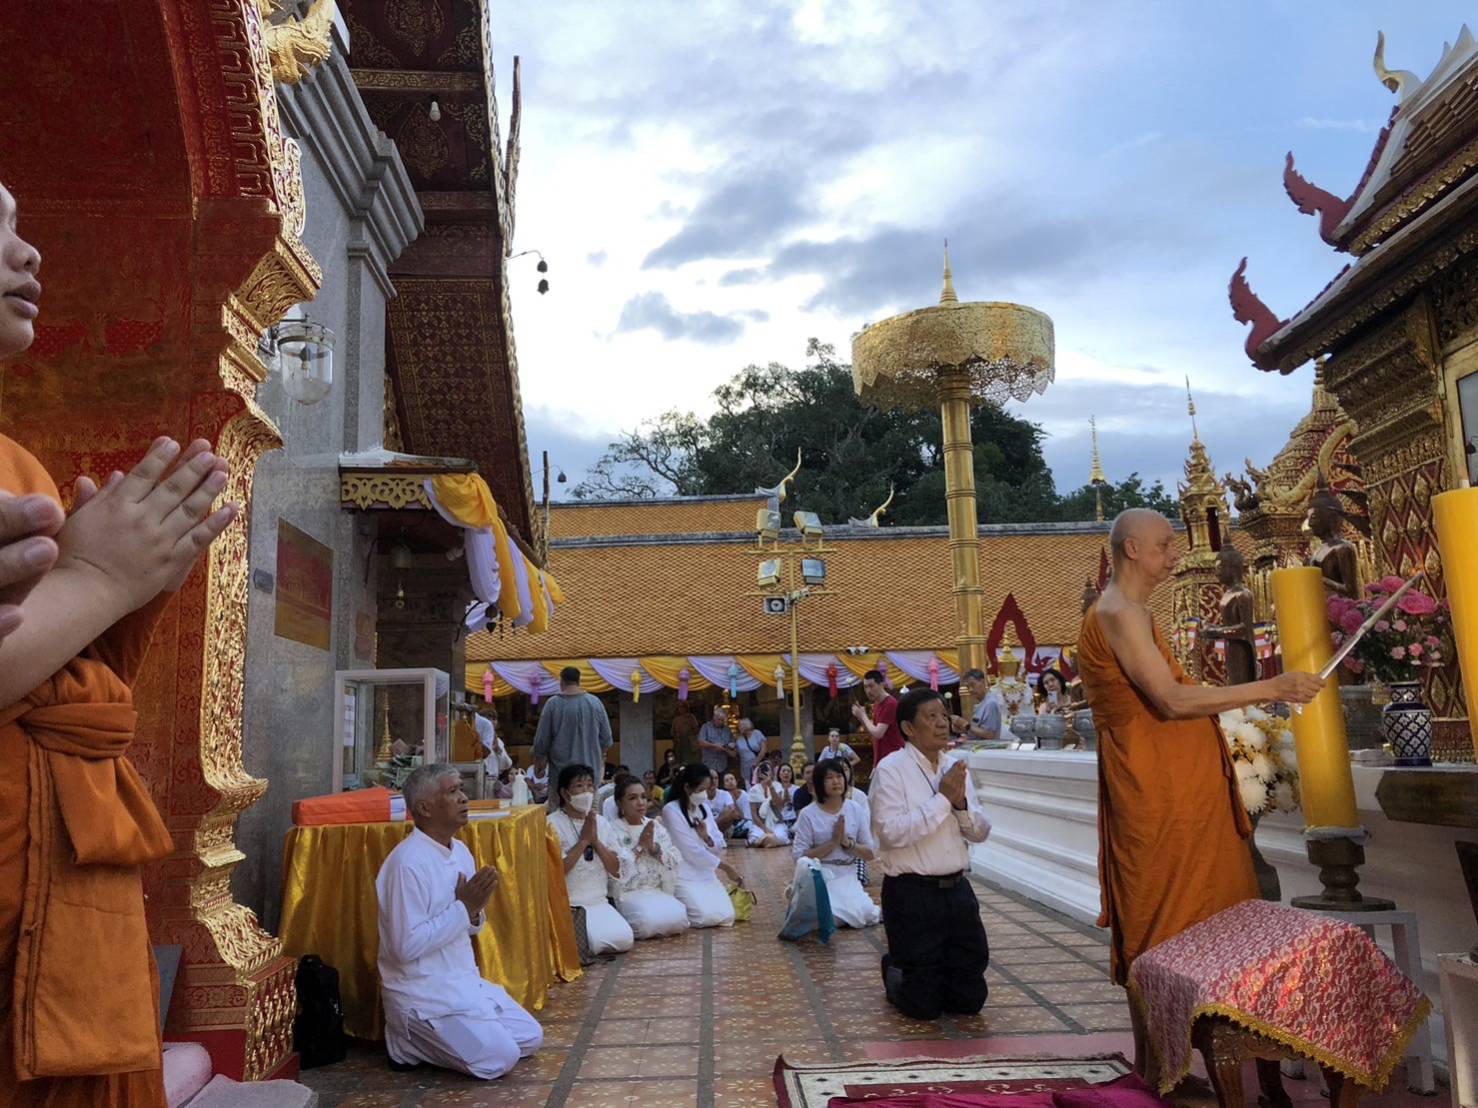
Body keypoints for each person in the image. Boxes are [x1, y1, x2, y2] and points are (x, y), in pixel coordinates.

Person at [0, 183, 245, 1106]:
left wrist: (131, 589)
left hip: (61, 865)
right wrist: (98, 581)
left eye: (23, 228)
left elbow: (62, 695)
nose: (30, 258)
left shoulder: (14, 460)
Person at [1079, 509, 1323, 1069]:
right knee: (1164, 917)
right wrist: (1272, 685)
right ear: (1132, 549)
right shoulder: (1116, 611)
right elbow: (1170, 701)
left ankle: (1195, 1062)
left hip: (1179, 788)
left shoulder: (1135, 612)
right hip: (1154, 789)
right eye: (1166, 545)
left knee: (1210, 915)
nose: (1176, 555)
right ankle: (1163, 1069)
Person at [375, 764, 542, 1079]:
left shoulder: (460, 851)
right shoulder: (406, 864)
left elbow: (469, 924)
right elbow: (404, 947)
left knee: (531, 1037)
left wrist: (474, 911)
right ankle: (406, 1041)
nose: (464, 798)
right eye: (453, 792)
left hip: (462, 985)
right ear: (425, 808)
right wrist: (464, 907)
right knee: (499, 1059)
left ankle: (455, 1034)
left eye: (461, 790)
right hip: (422, 995)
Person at [870, 688, 993, 1021]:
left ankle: (927, 974)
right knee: (923, 1005)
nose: (942, 724)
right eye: (931, 717)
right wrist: (942, 801)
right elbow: (891, 834)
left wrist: (961, 804)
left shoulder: (954, 767)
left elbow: (980, 831)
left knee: (969, 1001)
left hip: (956, 891)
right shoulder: (890, 770)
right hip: (912, 893)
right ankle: (894, 970)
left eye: (944, 714)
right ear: (909, 728)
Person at [548, 764, 633, 961]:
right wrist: (583, 841)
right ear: (565, 793)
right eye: (579, 786)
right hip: (571, 906)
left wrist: (595, 841)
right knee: (592, 941)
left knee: (624, 939)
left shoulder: (602, 823)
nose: (586, 791)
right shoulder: (551, 824)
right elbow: (555, 872)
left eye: (589, 786)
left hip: (599, 903)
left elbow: (616, 868)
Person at [793, 758, 881, 928]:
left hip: (848, 875)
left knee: (865, 914)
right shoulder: (808, 814)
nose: (836, 781)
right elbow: (798, 856)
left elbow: (870, 853)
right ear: (819, 783)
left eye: (839, 776)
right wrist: (832, 843)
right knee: (832, 917)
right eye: (829, 778)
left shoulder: (855, 809)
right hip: (822, 876)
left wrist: (848, 844)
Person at [607, 776, 689, 940]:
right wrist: (640, 847)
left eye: (643, 797)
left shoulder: (655, 826)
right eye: (633, 798)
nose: (640, 802)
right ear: (620, 803)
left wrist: (653, 848)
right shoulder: (612, 830)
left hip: (655, 890)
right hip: (629, 893)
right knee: (647, 924)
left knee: (680, 919)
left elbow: (674, 858)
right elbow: (615, 868)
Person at [659, 764, 741, 927]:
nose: (704, 794)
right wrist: (725, 867)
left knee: (727, 916)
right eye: (701, 789)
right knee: (703, 917)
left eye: (707, 789)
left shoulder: (704, 809)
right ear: (687, 787)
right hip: (684, 874)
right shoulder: (671, 810)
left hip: (706, 873)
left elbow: (718, 843)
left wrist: (706, 838)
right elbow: (689, 851)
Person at [531, 667, 612, 806]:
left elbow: (541, 742)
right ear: (578, 681)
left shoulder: (552, 704)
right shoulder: (595, 703)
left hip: (561, 777)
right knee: (589, 816)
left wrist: (539, 763)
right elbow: (607, 738)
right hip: (589, 776)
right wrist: (597, 754)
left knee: (560, 818)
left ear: (561, 682)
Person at [1205, 547, 1258, 687]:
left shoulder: (1243, 595)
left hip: (1243, 650)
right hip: (1231, 649)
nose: (1216, 573)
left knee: (1244, 690)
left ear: (1233, 569)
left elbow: (1245, 628)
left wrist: (1217, 632)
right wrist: (1215, 628)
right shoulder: (1227, 595)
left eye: (1220, 568)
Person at [852, 669, 904, 763]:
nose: (868, 691)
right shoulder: (877, 704)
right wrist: (860, 717)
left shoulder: (890, 704)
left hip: (893, 759)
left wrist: (863, 716)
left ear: (881, 685)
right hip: (882, 758)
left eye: (871, 686)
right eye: (865, 687)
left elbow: (878, 733)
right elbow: (872, 732)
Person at [745, 760, 792, 847]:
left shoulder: (778, 786)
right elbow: (754, 815)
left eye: (768, 769)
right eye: (763, 769)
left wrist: (771, 786)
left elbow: (778, 805)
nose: (765, 772)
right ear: (759, 773)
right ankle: (770, 841)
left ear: (772, 773)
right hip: (760, 825)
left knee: (780, 837)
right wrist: (765, 829)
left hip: (776, 823)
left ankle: (763, 842)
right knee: (756, 837)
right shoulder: (754, 790)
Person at [950, 669, 1003, 742]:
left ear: (982, 682)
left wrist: (965, 725)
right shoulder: (980, 703)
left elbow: (990, 735)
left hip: (988, 749)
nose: (970, 690)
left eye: (973, 685)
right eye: (967, 687)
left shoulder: (991, 703)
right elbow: (978, 730)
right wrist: (962, 729)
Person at [474, 705, 511, 787]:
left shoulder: (498, 741)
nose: (493, 722)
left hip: (494, 781)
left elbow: (507, 765)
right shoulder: (475, 739)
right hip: (479, 779)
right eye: (489, 719)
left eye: (495, 719)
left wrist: (499, 751)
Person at [697, 705, 734, 778]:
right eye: (720, 720)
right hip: (709, 764)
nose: (722, 722)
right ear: (714, 717)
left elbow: (732, 746)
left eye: (723, 720)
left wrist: (728, 747)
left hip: (723, 765)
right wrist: (714, 746)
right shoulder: (706, 727)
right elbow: (701, 742)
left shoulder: (727, 730)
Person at [714, 770, 750, 839]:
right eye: (727, 780)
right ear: (724, 785)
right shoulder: (724, 796)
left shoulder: (744, 795)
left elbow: (745, 817)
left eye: (732, 779)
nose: (730, 781)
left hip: (744, 823)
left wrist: (733, 800)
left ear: (736, 782)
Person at [735, 717, 768, 783]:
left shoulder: (757, 733)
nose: (739, 728)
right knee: (749, 786)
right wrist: (727, 748)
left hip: (758, 765)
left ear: (746, 726)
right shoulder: (739, 739)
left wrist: (756, 761)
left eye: (740, 726)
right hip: (745, 768)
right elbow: (736, 753)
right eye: (739, 726)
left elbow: (764, 749)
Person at [669, 701, 699, 766]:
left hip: (689, 744)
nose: (681, 709)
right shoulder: (676, 719)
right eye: (679, 707)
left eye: (683, 706)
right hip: (679, 745)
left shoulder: (691, 717)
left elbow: (696, 730)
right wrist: (676, 736)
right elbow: (672, 732)